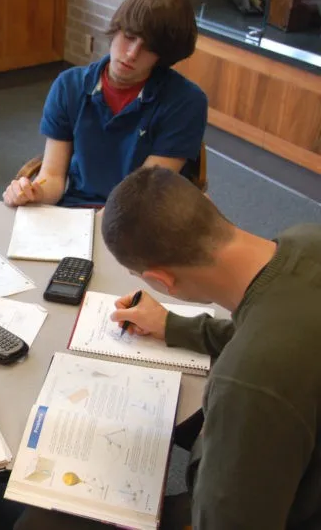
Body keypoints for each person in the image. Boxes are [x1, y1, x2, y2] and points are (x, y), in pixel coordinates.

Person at [17, 166, 321, 529]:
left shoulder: (246, 385)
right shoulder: (304, 240)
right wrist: (172, 326)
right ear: (207, 205)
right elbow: (274, 330)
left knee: (39, 524)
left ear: (162, 281)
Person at [2, 0, 206, 208]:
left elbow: (142, 194)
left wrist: (92, 230)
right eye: (129, 37)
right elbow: (52, 177)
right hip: (76, 211)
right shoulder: (68, 86)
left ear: (163, 57)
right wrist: (34, 193)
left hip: (141, 215)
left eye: (149, 48)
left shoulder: (186, 101)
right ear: (117, 29)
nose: (131, 54)